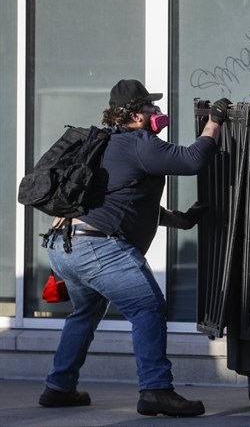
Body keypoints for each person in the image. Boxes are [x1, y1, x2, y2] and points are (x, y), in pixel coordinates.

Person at [38, 79, 232, 417]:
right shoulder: (140, 143)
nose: (157, 112)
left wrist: (180, 220)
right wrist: (213, 123)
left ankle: (59, 387)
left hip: (65, 245)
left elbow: (126, 204)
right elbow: (191, 161)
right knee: (148, 307)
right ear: (138, 116)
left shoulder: (106, 144)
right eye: (151, 107)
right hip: (97, 248)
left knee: (84, 314)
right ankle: (156, 390)